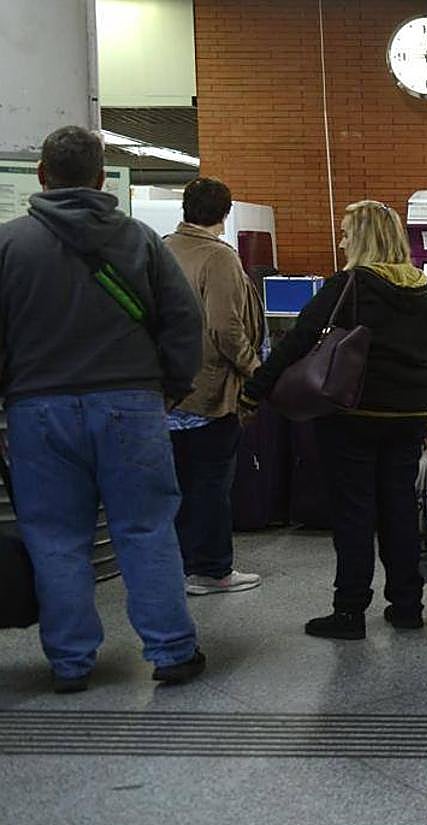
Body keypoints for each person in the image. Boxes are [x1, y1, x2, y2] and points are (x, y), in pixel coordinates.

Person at [0, 126, 205, 692]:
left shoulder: (9, 245)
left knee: (54, 537)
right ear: (100, 179)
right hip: (131, 405)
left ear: (42, 174)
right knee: (146, 529)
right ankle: (171, 650)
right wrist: (171, 385)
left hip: (37, 410)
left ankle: (70, 663)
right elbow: (184, 320)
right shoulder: (141, 241)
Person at [241, 200, 427, 640]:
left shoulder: (350, 284)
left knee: (354, 514)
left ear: (365, 238)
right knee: (399, 510)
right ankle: (407, 605)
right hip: (409, 415)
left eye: (348, 233)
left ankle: (349, 612)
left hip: (354, 413)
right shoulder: (425, 291)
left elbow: (298, 340)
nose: (342, 242)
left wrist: (255, 389)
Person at [164, 176, 264, 597]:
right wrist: (255, 369)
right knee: (210, 484)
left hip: (167, 392)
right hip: (208, 391)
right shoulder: (219, 257)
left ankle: (177, 566)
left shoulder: (163, 249)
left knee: (177, 485)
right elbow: (225, 327)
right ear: (225, 213)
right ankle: (210, 570)